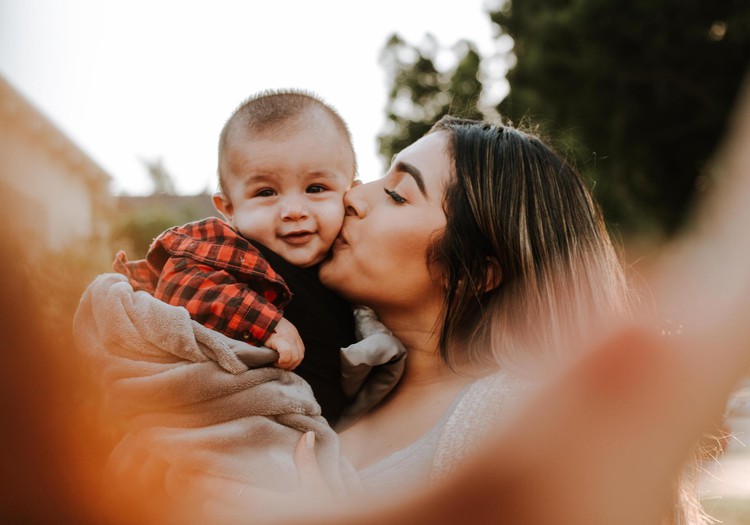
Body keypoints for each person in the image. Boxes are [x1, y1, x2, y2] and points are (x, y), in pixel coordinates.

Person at [113, 89, 360, 424]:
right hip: (241, 428)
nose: (293, 211)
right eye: (266, 193)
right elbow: (182, 283)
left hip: (328, 438)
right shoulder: (232, 249)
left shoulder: (354, 261)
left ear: (352, 193)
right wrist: (264, 323)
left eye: (316, 188)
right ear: (229, 209)